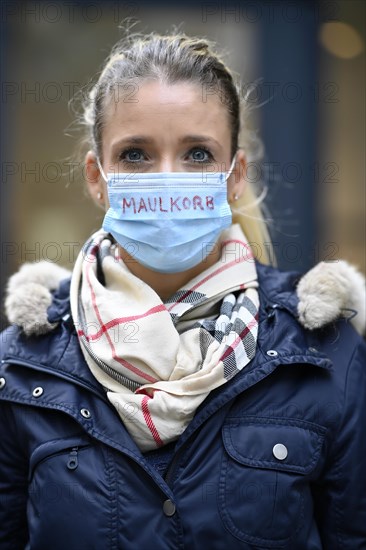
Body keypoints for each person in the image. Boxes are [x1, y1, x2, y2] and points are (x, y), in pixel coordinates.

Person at [0, 30, 365, 550]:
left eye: (197, 154)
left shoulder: (325, 354)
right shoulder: (21, 366)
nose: (167, 178)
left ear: (234, 175)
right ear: (95, 176)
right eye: (134, 155)